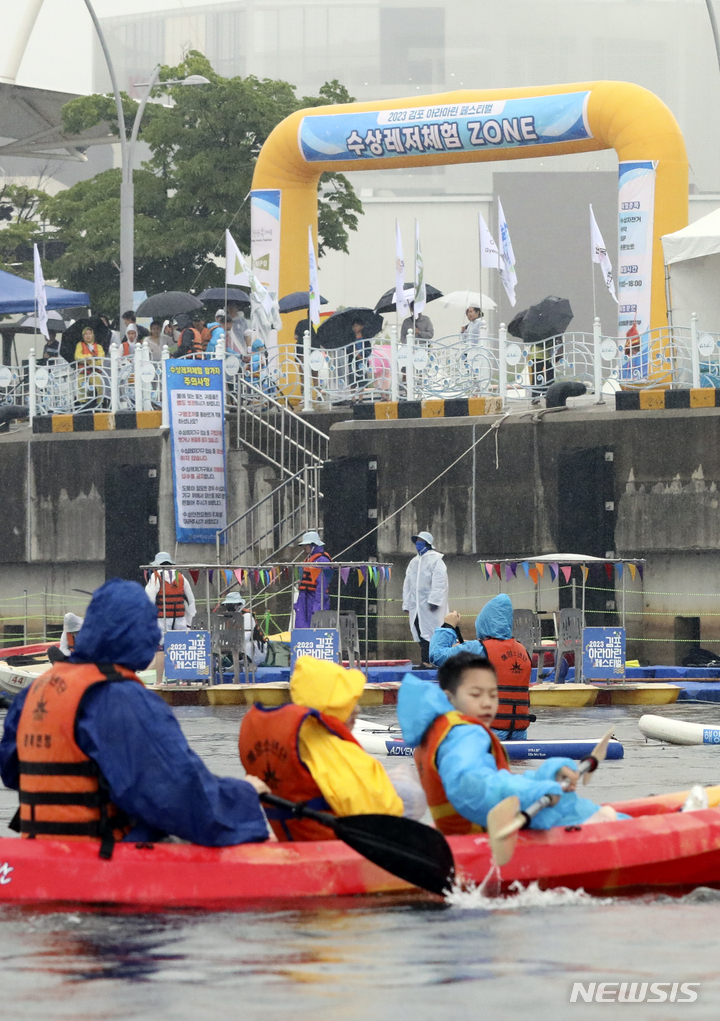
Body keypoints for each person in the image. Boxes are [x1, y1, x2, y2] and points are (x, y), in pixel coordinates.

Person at [0, 578, 270, 854]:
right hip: (98, 860)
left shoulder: (34, 691)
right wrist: (244, 795)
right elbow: (176, 795)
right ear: (136, 632)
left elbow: (10, 773)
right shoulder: (122, 698)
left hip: (38, 855)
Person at [398, 652, 620, 836]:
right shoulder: (465, 734)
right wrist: (537, 791)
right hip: (483, 842)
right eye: (476, 695)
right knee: (608, 818)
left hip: (467, 835)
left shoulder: (440, 731)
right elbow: (476, 789)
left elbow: (494, 781)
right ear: (449, 698)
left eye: (493, 695)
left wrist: (548, 777)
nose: (487, 703)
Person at [239, 657, 403, 840]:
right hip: (340, 849)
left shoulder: (286, 742)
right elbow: (389, 816)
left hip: (294, 839)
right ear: (332, 705)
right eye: (349, 702)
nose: (357, 709)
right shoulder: (339, 756)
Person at [429, 593, 531, 739]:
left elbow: (436, 656)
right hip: (518, 732)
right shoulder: (522, 650)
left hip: (487, 731)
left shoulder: (477, 648)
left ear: (484, 622)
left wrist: (448, 626)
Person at [144, 552, 197, 685]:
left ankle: (159, 681)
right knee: (180, 648)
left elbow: (148, 601)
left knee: (160, 649)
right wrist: (189, 622)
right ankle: (182, 680)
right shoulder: (181, 577)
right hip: (180, 619)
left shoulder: (156, 577)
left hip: (161, 620)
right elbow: (191, 601)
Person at [402, 531, 448, 668]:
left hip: (430, 606)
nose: (418, 544)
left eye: (421, 541)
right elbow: (407, 584)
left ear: (428, 544)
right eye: (417, 541)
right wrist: (407, 604)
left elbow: (439, 582)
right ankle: (425, 661)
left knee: (432, 632)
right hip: (416, 606)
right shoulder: (414, 562)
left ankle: (433, 661)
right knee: (419, 630)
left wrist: (434, 601)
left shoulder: (436, 560)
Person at [214, 592, 267, 681]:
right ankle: (236, 665)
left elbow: (246, 636)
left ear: (238, 605)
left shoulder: (247, 616)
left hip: (255, 648)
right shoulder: (228, 617)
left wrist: (231, 642)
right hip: (236, 643)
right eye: (227, 605)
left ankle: (250, 663)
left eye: (231, 605)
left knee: (244, 645)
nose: (229, 607)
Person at [293, 531, 332, 629]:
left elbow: (322, 585)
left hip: (314, 598)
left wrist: (318, 605)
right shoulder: (309, 559)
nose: (304, 547)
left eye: (306, 545)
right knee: (301, 626)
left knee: (316, 626)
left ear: (313, 545)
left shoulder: (323, 561)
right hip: (304, 598)